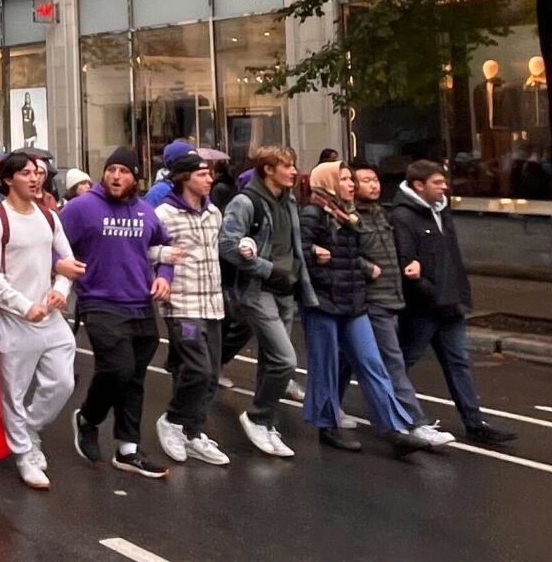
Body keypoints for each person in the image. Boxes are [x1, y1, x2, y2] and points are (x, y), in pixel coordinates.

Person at [300, 164, 440, 456]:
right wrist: (329, 275)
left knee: (373, 364)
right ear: (326, 183)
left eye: (351, 179)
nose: (350, 184)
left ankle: (394, 429)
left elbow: (353, 257)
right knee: (325, 367)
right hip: (324, 304)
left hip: (354, 302)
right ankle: (328, 428)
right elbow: (302, 257)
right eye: (343, 179)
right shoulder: (313, 214)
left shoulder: (348, 215)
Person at [61, 147, 171, 479]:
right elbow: (53, 243)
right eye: (111, 170)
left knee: (134, 378)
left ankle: (128, 449)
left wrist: (165, 276)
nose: (116, 176)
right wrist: (60, 267)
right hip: (100, 301)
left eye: (124, 171)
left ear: (135, 177)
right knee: (118, 369)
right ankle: (88, 419)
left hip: (141, 304)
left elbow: (162, 250)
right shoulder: (81, 208)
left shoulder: (146, 212)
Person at [390, 161, 517, 447]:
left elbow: (452, 259)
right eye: (437, 183)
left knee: (459, 363)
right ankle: (392, 417)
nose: (444, 187)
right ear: (418, 185)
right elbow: (406, 264)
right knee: (401, 363)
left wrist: (459, 294)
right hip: (422, 309)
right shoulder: (402, 217)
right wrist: (432, 292)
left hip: (450, 305)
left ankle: (475, 423)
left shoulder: (441, 210)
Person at [0, 151, 85, 490]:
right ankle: (24, 454)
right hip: (14, 321)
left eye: (37, 172)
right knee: (13, 392)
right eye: (25, 173)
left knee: (63, 382)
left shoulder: (49, 216)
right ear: (8, 180)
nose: (35, 178)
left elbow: (68, 261)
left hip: (51, 317)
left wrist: (60, 289)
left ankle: (29, 428)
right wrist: (24, 305)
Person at [219, 145, 308, 460]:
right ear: (268, 169)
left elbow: (292, 245)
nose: (294, 171)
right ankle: (256, 416)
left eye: (293, 165)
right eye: (287, 166)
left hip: (287, 290)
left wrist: (299, 272)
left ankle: (266, 423)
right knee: (286, 360)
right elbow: (228, 245)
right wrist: (268, 270)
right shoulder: (245, 202)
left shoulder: (290, 200)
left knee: (272, 361)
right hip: (258, 290)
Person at [352, 166, 452, 446]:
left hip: (392, 298)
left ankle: (327, 408)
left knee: (349, 360)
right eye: (364, 180)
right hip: (372, 300)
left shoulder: (383, 214)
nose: (373, 185)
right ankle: (415, 423)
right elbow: (343, 252)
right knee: (393, 361)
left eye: (375, 179)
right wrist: (367, 268)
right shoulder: (351, 217)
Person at [151, 157, 233, 466]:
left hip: (212, 305)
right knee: (197, 368)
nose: (209, 179)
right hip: (181, 305)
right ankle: (172, 420)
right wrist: (162, 253)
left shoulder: (214, 213)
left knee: (211, 374)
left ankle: (193, 431)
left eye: (209, 174)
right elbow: (142, 248)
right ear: (184, 178)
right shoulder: (163, 215)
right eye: (202, 174)